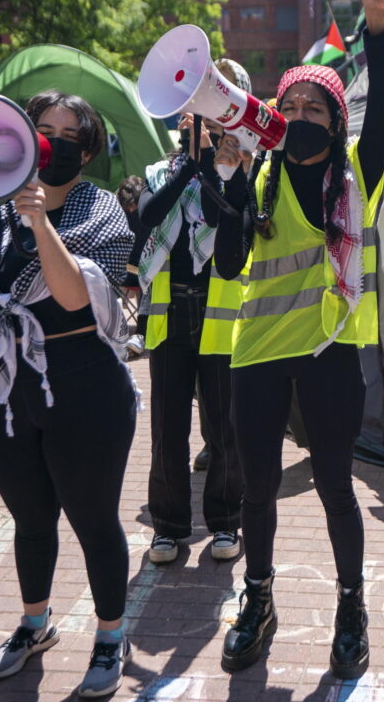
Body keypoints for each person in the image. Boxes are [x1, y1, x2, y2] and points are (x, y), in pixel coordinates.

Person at [212, 0, 384, 678]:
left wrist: (375, 21)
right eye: (291, 108)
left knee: (334, 486)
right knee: (256, 489)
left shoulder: (355, 171)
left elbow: (383, 108)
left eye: (317, 109)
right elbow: (229, 266)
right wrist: (226, 181)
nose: (304, 118)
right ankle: (258, 601)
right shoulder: (253, 175)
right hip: (256, 353)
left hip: (328, 351)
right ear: (275, 118)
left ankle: (351, 608)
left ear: (336, 121)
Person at [0, 91, 137, 697]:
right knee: (30, 518)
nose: (53, 142)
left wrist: (39, 222)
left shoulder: (102, 212)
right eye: (41, 129)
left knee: (94, 520)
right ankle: (34, 624)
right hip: (11, 386)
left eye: (67, 134)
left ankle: (108, 635)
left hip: (85, 387)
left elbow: (75, 295)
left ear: (89, 148)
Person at [136, 58, 255, 569]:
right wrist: (188, 162)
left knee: (227, 425)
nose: (194, 115)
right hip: (170, 312)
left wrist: (217, 168)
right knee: (167, 426)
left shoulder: (244, 173)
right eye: (191, 106)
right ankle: (168, 528)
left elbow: (230, 248)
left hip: (222, 312)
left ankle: (227, 520)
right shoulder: (162, 171)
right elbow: (144, 224)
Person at [116, 175, 149, 356]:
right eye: (128, 206)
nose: (131, 209)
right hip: (123, 269)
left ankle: (141, 334)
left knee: (148, 283)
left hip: (146, 269)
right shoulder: (118, 213)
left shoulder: (149, 210)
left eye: (134, 205)